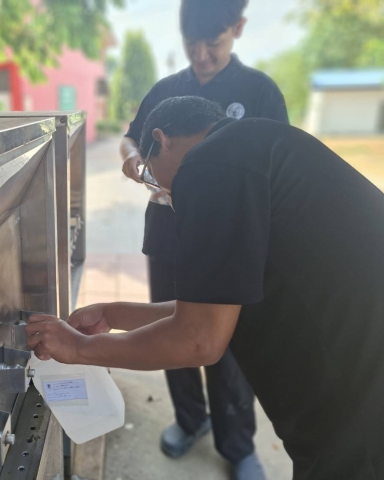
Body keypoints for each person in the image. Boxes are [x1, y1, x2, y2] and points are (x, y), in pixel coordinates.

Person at [27, 96, 384, 480]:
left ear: (161, 139)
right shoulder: (257, 147)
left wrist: (78, 349)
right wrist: (112, 314)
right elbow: (214, 308)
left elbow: (199, 339)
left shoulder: (209, 163)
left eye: (151, 176)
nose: (165, 193)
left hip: (360, 409)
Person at [119, 0, 287, 476]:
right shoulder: (167, 90)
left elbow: (275, 162)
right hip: (169, 232)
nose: (201, 56)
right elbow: (131, 137)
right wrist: (134, 158)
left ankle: (237, 443)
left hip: (231, 240)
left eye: (212, 43)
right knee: (170, 329)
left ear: (239, 28)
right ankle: (190, 418)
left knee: (225, 342)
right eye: (192, 45)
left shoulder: (259, 91)